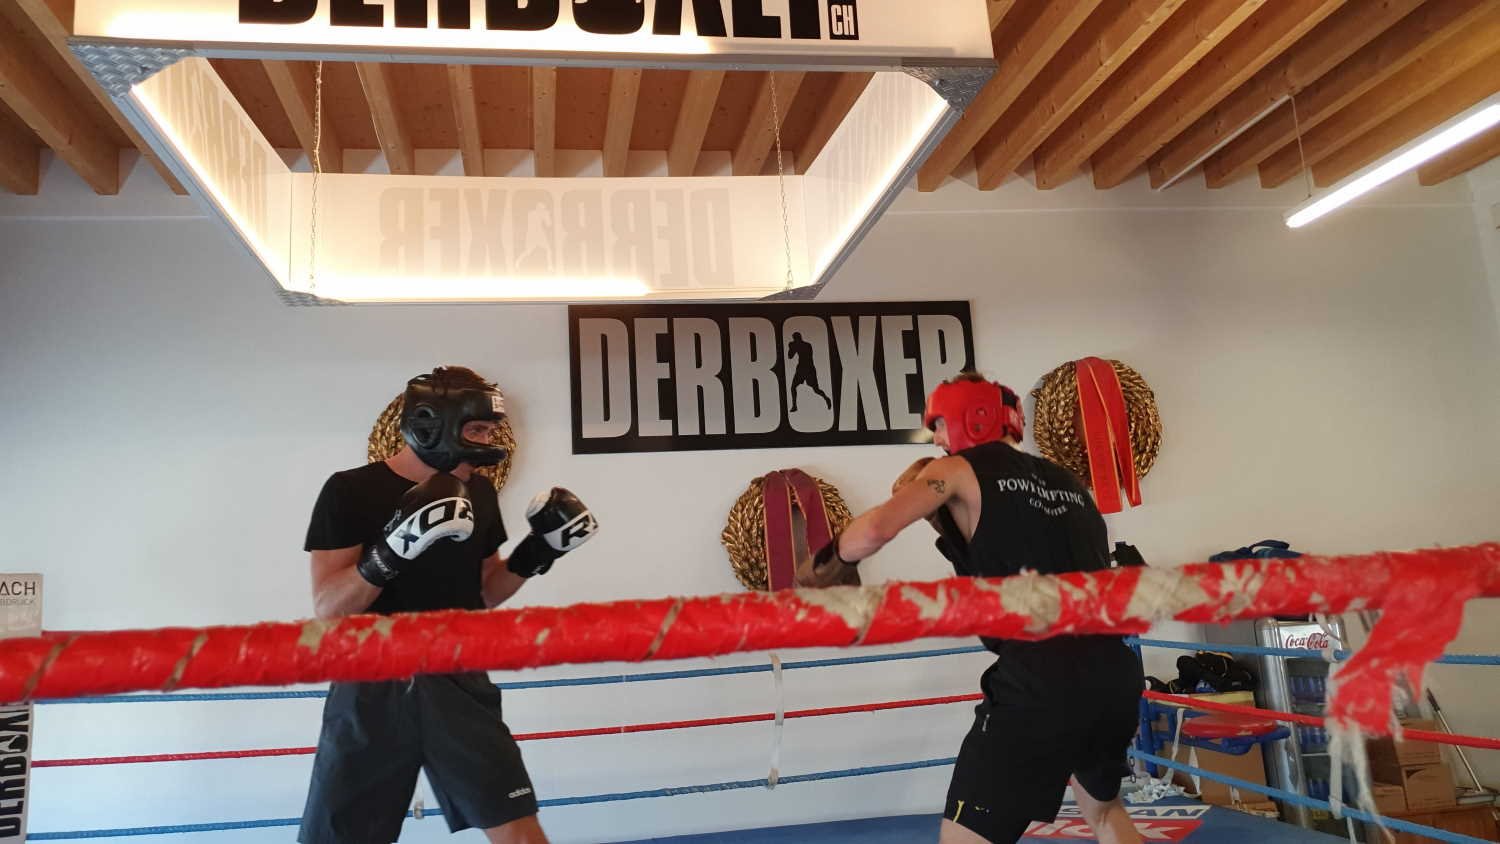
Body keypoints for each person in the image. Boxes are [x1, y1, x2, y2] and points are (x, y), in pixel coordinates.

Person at [813, 372, 1144, 844]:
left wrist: (822, 565)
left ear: (974, 417)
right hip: (1114, 676)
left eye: (939, 425)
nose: (937, 438)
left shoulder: (956, 470)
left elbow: (875, 529)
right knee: (1105, 811)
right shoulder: (1069, 482)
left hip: (1040, 682)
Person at [299, 366, 599, 844]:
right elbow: (329, 608)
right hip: (372, 683)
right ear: (430, 425)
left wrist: (537, 552)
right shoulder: (349, 490)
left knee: (519, 829)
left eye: (489, 431)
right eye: (477, 430)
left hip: (458, 675)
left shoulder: (478, 491)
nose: (487, 444)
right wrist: (393, 549)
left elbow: (485, 592)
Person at [786, 331, 831, 412]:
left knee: (816, 390)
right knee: (793, 387)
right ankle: (794, 406)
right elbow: (790, 356)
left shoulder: (807, 345)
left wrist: (793, 347)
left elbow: (805, 356)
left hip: (809, 369)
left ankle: (826, 398)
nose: (795, 340)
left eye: (796, 338)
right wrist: (791, 348)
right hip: (801, 369)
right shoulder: (797, 345)